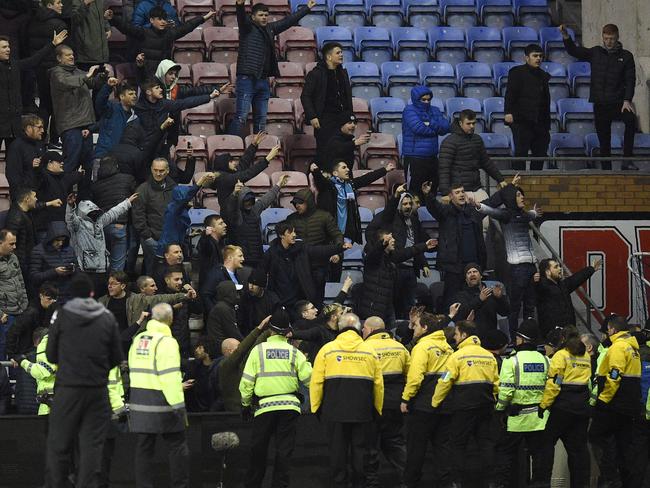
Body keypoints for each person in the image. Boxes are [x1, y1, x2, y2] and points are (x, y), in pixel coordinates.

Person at [45, 273, 123, 487]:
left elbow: (51, 355)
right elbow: (117, 357)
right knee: (92, 447)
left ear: (71, 294)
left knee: (59, 444)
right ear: (91, 294)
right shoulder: (107, 317)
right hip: (97, 391)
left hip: (68, 390)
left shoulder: (62, 316)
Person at [240, 306, 313, 488]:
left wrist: (245, 404)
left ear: (270, 330)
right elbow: (310, 379)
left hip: (264, 408)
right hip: (290, 408)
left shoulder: (258, 351)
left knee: (258, 452)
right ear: (287, 331)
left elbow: (247, 382)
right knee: (284, 452)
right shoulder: (294, 352)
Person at [310, 312, 384, 488]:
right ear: (359, 329)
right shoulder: (369, 351)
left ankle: (339, 483)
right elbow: (378, 385)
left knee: (337, 452)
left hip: (334, 411)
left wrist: (316, 408)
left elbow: (316, 382)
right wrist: (377, 409)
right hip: (362, 411)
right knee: (360, 451)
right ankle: (359, 483)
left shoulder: (327, 350)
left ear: (339, 327)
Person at [228, 0, 317, 135]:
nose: (264, 17)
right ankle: (230, 149)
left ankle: (259, 152)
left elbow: (288, 21)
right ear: (252, 17)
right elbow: (241, 17)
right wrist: (239, 5)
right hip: (247, 79)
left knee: (261, 120)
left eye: (266, 15)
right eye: (260, 15)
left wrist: (306, 8)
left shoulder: (270, 28)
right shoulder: (247, 27)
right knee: (241, 117)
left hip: (263, 80)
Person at [431, 320, 500, 487]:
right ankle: (491, 482)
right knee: (485, 444)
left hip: (463, 407)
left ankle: (457, 482)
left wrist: (434, 403)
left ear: (464, 335)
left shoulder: (457, 356)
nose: (454, 337)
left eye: (456, 334)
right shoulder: (489, 356)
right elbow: (496, 384)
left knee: (458, 446)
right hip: (485, 406)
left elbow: (445, 381)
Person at [128, 302, 189, 488]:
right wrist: (179, 407)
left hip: (139, 404)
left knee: (144, 449)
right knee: (178, 446)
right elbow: (169, 378)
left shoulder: (137, 339)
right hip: (162, 404)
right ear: (169, 319)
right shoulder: (167, 342)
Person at [561, 23, 637, 170]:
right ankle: (606, 169)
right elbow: (575, 51)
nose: (609, 42)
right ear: (602, 37)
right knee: (604, 139)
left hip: (619, 102)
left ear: (617, 37)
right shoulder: (596, 52)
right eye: (606, 38)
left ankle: (627, 160)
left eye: (612, 39)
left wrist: (627, 99)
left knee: (631, 120)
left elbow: (630, 79)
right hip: (601, 103)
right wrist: (566, 37)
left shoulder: (626, 56)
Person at [474, 177, 540, 338]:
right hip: (517, 269)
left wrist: (536, 267)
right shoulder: (506, 215)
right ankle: (514, 339)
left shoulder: (524, 216)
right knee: (515, 307)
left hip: (531, 267)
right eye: (518, 195)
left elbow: (530, 215)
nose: (522, 197)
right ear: (511, 198)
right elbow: (490, 210)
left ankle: (528, 337)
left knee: (530, 306)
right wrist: (479, 206)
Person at [400, 311, 455, 488]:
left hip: (423, 406)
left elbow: (415, 377)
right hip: (446, 405)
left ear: (424, 327)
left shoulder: (422, 347)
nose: (413, 329)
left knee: (416, 448)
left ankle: (411, 483)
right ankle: (447, 483)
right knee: (443, 448)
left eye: (415, 325)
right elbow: (450, 376)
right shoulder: (449, 348)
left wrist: (406, 398)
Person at [589, 315, 645, 487]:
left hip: (614, 404)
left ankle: (610, 478)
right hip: (630, 404)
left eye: (608, 330)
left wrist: (604, 400)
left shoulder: (618, 347)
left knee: (596, 435)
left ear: (612, 329)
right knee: (624, 444)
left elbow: (614, 376)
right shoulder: (633, 349)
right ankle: (623, 480)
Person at [494, 320, 549, 488]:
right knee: (539, 457)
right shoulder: (545, 360)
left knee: (506, 456)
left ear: (521, 339)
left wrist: (499, 409)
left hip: (516, 420)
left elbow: (506, 392)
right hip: (539, 420)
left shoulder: (512, 361)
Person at [366, 184, 431, 319]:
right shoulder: (390, 218)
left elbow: (417, 242)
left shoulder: (414, 219)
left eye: (409, 203)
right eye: (404, 204)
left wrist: (423, 263)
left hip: (411, 269)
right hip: (396, 267)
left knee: (410, 306)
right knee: (394, 304)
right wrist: (395, 196)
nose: (407, 206)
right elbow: (387, 212)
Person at [538, 325, 592, 487]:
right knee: (578, 450)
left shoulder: (561, 355)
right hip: (581, 407)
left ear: (562, 339)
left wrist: (544, 405)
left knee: (546, 444)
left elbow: (555, 383)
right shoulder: (585, 356)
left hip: (562, 407)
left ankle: (542, 482)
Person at [422, 180, 486, 309]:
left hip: (472, 265)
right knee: (452, 300)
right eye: (457, 192)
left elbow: (492, 203)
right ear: (451, 196)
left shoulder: (472, 212)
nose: (461, 194)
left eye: (462, 192)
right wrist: (428, 195)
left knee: (475, 300)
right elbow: (434, 206)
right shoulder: (446, 212)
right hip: (454, 267)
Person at [0, 31, 67, 150]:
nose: (8, 49)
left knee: (14, 161)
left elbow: (34, 60)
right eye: (4, 47)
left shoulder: (15, 65)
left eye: (8, 46)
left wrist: (52, 44)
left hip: (14, 124)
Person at [362, 316, 410, 481]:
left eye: (364, 329)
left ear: (371, 330)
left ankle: (371, 481)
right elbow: (410, 375)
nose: (362, 332)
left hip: (373, 403)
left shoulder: (364, 348)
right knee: (396, 442)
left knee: (370, 445)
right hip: (396, 403)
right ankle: (407, 479)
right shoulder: (400, 348)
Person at [107, 7, 215, 78]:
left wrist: (203, 18)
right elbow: (126, 28)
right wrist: (113, 19)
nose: (163, 22)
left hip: (163, 77)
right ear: (151, 20)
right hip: (145, 77)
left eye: (164, 19)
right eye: (159, 19)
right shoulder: (143, 33)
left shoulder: (169, 34)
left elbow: (186, 27)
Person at [263, 221, 348, 308]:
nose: (294, 235)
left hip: (299, 300)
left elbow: (321, 250)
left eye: (294, 231)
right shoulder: (271, 253)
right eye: (290, 232)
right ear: (281, 235)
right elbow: (262, 272)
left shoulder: (302, 248)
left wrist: (339, 248)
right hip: (280, 301)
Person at [357, 229, 436, 324]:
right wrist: (382, 243)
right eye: (390, 238)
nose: (394, 240)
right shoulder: (372, 259)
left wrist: (425, 246)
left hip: (388, 308)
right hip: (373, 308)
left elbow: (407, 252)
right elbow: (374, 253)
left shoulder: (391, 257)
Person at [65, 191, 137, 295]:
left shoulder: (100, 221)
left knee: (101, 299)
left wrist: (127, 202)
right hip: (86, 271)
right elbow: (70, 219)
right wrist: (70, 206)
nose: (94, 214)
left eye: (95, 212)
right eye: (90, 213)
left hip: (103, 270)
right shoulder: (77, 225)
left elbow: (113, 213)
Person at [311, 160, 395, 245]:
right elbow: (320, 180)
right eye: (344, 168)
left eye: (347, 167)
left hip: (346, 230)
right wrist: (315, 171)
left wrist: (385, 170)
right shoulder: (328, 186)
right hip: (330, 231)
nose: (347, 170)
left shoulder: (350, 185)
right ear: (335, 173)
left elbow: (367, 178)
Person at [49, 44, 102, 173]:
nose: (71, 57)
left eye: (72, 54)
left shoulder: (78, 72)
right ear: (59, 58)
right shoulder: (56, 73)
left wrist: (102, 77)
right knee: (71, 162)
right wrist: (87, 75)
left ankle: (85, 193)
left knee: (87, 165)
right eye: (67, 55)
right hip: (70, 124)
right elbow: (67, 82)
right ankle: (64, 192)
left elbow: (93, 83)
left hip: (85, 123)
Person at [286, 187, 344, 304]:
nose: (297, 206)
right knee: (300, 301)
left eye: (300, 203)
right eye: (295, 203)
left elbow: (337, 235)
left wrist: (336, 251)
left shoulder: (324, 217)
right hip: (299, 265)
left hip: (319, 265)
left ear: (309, 202)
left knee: (317, 300)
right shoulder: (291, 219)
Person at [301, 42, 353, 165]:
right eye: (338, 53)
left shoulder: (343, 73)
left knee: (345, 153)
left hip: (342, 121)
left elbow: (347, 97)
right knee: (326, 152)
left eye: (341, 52)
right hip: (325, 121)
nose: (341, 55)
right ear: (328, 57)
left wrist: (350, 118)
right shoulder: (316, 74)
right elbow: (305, 96)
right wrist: (312, 116)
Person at [438, 109, 506, 200]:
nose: (472, 126)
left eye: (473, 123)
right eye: (468, 123)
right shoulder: (449, 142)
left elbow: (486, 162)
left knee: (488, 211)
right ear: (460, 123)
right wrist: (445, 193)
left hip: (476, 188)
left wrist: (500, 179)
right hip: (459, 190)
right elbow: (444, 169)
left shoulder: (477, 139)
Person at [224, 173, 287, 269]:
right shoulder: (236, 215)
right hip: (243, 260)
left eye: (250, 201)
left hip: (258, 256)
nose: (248, 203)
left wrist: (278, 185)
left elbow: (267, 198)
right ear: (241, 201)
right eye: (246, 201)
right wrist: (234, 194)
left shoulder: (255, 209)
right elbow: (231, 207)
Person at [504, 44, 551, 171]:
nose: (538, 58)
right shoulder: (516, 73)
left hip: (540, 122)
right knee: (520, 154)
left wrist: (547, 124)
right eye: (535, 56)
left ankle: (536, 187)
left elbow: (546, 101)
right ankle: (518, 186)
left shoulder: (544, 75)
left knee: (540, 154)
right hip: (521, 120)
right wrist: (508, 112)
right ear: (526, 58)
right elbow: (510, 94)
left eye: (540, 56)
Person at [27, 0, 68, 136]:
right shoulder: (60, 24)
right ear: (49, 5)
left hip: (38, 68)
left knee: (44, 104)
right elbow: (66, 49)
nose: (61, 5)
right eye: (58, 2)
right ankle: (55, 139)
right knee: (58, 105)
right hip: (55, 69)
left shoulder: (31, 22)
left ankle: (41, 137)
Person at [91, 156, 137, 272]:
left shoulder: (95, 185)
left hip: (102, 227)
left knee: (103, 262)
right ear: (116, 166)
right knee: (117, 265)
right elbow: (135, 199)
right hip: (119, 225)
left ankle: (104, 287)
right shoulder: (128, 179)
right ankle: (115, 286)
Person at [401, 86, 450, 196]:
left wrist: (430, 123)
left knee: (431, 193)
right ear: (416, 99)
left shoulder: (435, 110)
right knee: (414, 193)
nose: (426, 102)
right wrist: (437, 129)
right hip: (415, 159)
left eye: (428, 99)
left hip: (432, 158)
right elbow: (419, 128)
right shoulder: (409, 110)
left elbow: (446, 127)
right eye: (423, 100)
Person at [132, 158, 179, 273]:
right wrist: (147, 237)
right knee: (152, 270)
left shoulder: (174, 188)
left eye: (161, 170)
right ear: (151, 170)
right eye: (155, 170)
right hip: (152, 238)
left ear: (167, 170)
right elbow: (138, 215)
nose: (158, 173)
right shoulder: (143, 189)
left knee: (172, 270)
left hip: (171, 237)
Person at [535, 257, 601, 338]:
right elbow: (529, 288)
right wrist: (532, 280)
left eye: (559, 266)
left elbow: (576, 279)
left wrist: (591, 269)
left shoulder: (562, 285)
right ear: (548, 272)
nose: (560, 268)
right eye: (556, 267)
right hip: (553, 337)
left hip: (569, 333)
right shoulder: (540, 287)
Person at [211, 132, 280, 208]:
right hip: (231, 217)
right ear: (223, 165)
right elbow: (247, 174)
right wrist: (267, 159)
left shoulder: (230, 173)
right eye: (231, 161)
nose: (234, 163)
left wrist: (253, 145)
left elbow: (243, 163)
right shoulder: (223, 178)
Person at [155, 172, 217, 256]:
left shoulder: (181, 210)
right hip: (167, 252)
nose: (192, 199)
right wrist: (201, 181)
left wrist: (188, 234)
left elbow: (176, 228)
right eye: (189, 197)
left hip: (174, 248)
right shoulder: (174, 208)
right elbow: (187, 197)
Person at [218, 316, 272, 412]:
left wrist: (267, 332)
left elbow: (253, 349)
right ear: (230, 351)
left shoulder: (240, 364)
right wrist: (259, 328)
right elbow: (241, 350)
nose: (241, 347)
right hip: (234, 413)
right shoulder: (224, 365)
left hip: (247, 409)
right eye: (238, 346)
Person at [33, 150, 84, 241]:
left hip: (61, 227)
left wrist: (79, 174)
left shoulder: (60, 177)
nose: (62, 163)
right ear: (50, 163)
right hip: (45, 228)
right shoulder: (43, 177)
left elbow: (70, 178)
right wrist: (37, 167)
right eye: (58, 161)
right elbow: (38, 175)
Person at [453, 263, 510, 338]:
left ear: (481, 276)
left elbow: (505, 312)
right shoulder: (461, 295)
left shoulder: (490, 293)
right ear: (466, 279)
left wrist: (500, 298)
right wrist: (479, 299)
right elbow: (461, 314)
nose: (472, 274)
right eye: (469, 273)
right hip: (471, 337)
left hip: (490, 337)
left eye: (475, 271)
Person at [6, 283, 57, 363]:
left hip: (37, 351)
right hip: (25, 353)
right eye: (48, 299)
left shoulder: (50, 309)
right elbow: (12, 332)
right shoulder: (31, 313)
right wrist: (11, 355)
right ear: (41, 296)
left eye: (54, 300)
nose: (51, 302)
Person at [0, 230, 29, 360]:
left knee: (20, 346)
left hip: (20, 310)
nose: (14, 247)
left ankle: (17, 378)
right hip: (6, 314)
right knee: (4, 346)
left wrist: (25, 304)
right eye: (11, 244)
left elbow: (21, 281)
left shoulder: (13, 257)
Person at [17, 326, 57, 415]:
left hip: (50, 402)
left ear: (38, 340)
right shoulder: (57, 345)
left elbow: (43, 371)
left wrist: (23, 362)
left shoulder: (45, 346)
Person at [6, 115, 46, 196]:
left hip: (39, 194)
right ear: (28, 128)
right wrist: (24, 195)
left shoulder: (40, 145)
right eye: (39, 127)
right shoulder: (16, 146)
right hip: (24, 198)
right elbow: (13, 176)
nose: (43, 130)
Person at [199, 244, 246, 314]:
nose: (243, 259)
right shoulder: (215, 274)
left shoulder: (238, 275)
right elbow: (205, 295)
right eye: (240, 256)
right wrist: (215, 313)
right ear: (230, 257)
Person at [70, 0, 111, 69]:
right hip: (85, 54)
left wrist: (107, 27)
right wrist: (85, 3)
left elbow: (103, 15)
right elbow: (74, 19)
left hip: (101, 52)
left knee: (100, 78)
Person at [184, 336, 220, 413]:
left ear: (207, 349)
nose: (196, 350)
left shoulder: (217, 367)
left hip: (213, 411)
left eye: (200, 347)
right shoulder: (193, 367)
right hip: (195, 410)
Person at [239, 267, 280, 334]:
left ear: (261, 286)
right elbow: (241, 320)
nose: (250, 287)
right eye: (250, 283)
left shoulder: (272, 299)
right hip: (248, 333)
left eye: (254, 284)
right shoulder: (245, 298)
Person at [207, 280, 243, 346]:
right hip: (222, 349)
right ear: (230, 293)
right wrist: (247, 344)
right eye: (235, 292)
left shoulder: (226, 306)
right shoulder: (223, 309)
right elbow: (233, 333)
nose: (238, 295)